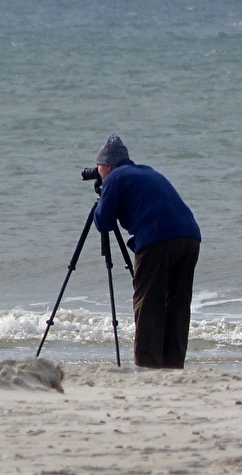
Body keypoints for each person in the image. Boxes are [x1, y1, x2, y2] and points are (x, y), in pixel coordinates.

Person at [93, 136, 201, 369]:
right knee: (177, 305)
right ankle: (173, 363)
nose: (97, 171)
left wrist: (101, 199)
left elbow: (104, 222)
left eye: (99, 166)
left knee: (149, 304)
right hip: (190, 237)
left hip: (157, 238)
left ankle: (148, 365)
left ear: (108, 166)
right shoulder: (147, 172)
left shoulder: (114, 178)